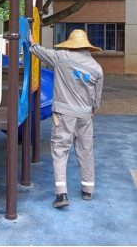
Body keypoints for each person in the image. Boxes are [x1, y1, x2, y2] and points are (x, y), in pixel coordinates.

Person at [29, 29, 104, 209]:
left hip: (64, 114)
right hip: (85, 115)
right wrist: (92, 110)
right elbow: (96, 98)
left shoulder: (61, 57)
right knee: (85, 150)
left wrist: (32, 42)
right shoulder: (97, 68)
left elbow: (41, 52)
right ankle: (88, 190)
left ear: (70, 45)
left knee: (60, 150)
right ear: (87, 47)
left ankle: (61, 194)